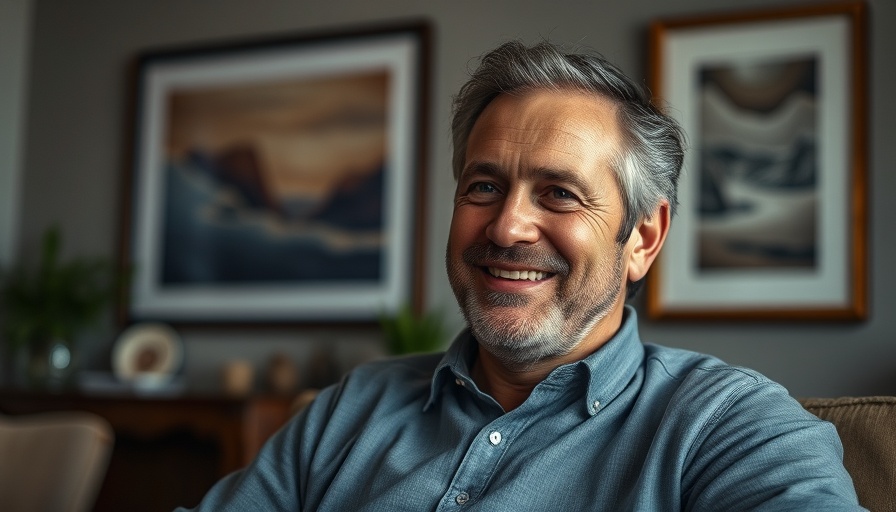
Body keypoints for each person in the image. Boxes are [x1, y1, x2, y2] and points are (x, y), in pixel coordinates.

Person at [179, 41, 863, 511]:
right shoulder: (351, 409)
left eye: (559, 194)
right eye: (483, 186)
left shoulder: (735, 427)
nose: (506, 228)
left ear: (643, 239)